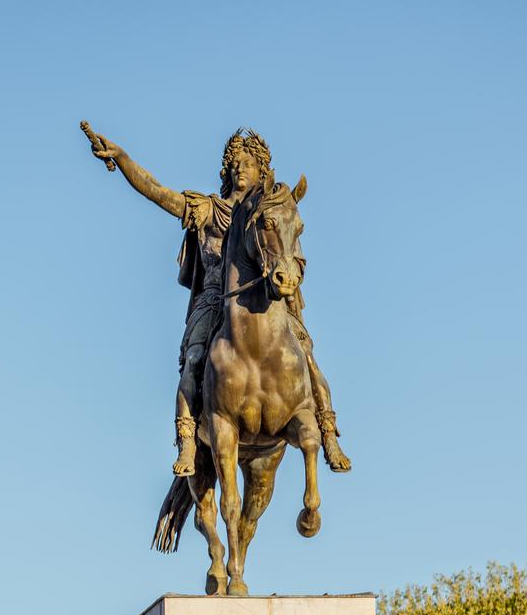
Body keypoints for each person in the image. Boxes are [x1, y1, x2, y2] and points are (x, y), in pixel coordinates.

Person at [83, 124, 351, 477]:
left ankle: (327, 430)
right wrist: (123, 159)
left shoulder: (268, 214)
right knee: (195, 357)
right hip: (215, 298)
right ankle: (188, 438)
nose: (241, 169)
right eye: (236, 163)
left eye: (249, 163)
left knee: (305, 352)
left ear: (261, 171)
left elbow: (288, 248)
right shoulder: (209, 210)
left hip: (265, 299)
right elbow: (159, 194)